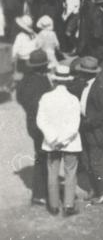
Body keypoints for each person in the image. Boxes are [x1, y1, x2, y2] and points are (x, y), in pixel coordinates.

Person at [36, 63, 82, 217]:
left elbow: (41, 120)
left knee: (52, 172)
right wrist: (63, 140)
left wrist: (53, 139)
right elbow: (74, 125)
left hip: (51, 143)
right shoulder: (74, 99)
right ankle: (68, 205)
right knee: (70, 172)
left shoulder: (46, 97)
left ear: (54, 80)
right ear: (68, 81)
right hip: (70, 142)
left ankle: (54, 206)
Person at [15, 48, 51, 206]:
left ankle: (42, 191)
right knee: (43, 159)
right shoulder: (42, 82)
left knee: (41, 156)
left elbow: (19, 97)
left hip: (32, 123)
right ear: (44, 66)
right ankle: (40, 193)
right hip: (42, 125)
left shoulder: (25, 79)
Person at [77, 55, 103, 204]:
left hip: (96, 131)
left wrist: (90, 121)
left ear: (88, 73)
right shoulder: (84, 84)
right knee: (86, 161)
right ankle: (94, 189)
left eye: (82, 71)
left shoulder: (100, 88)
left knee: (96, 163)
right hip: (85, 129)